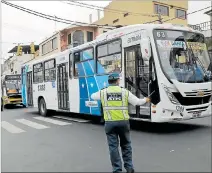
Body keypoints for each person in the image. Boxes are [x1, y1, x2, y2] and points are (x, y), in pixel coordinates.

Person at [91, 72, 150, 173]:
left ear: (108, 82)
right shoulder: (124, 92)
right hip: (123, 123)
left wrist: (102, 91)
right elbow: (137, 102)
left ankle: (117, 170)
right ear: (118, 81)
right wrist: (146, 99)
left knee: (113, 147)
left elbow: (92, 96)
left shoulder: (103, 92)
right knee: (126, 145)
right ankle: (129, 167)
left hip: (110, 123)